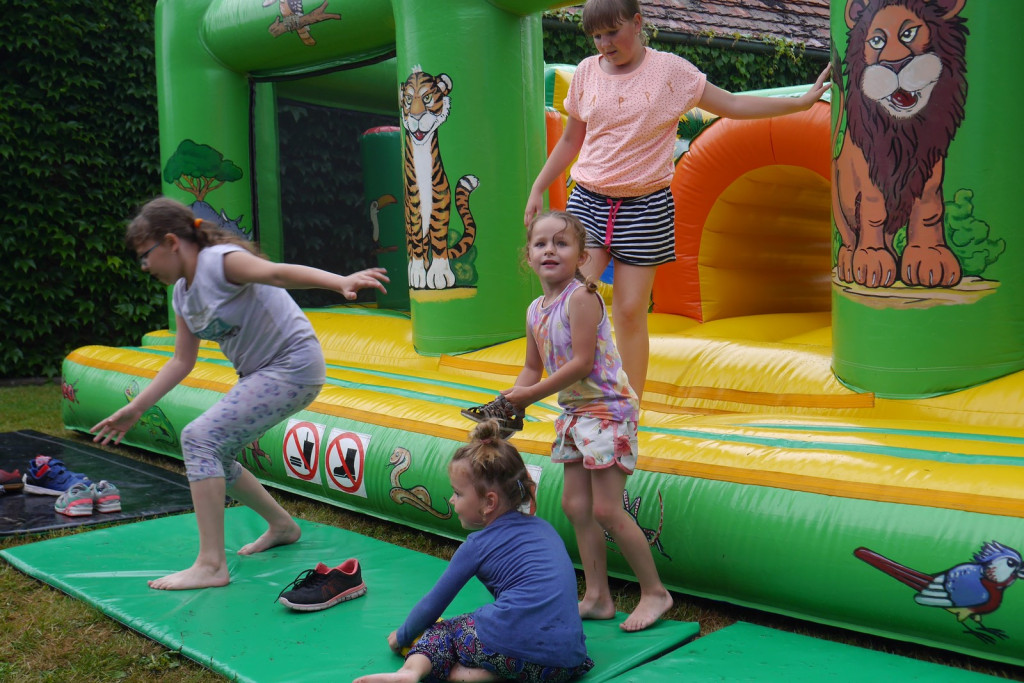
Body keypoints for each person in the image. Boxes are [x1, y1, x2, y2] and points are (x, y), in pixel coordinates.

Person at [523, 0, 831, 400]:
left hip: (645, 205)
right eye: (597, 36)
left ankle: (628, 407)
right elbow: (571, 140)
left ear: (637, 23)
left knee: (631, 311)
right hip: (590, 201)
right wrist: (537, 186)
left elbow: (733, 105)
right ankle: (571, 389)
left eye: (612, 32)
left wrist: (801, 103)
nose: (604, 44)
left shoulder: (671, 72)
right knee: (573, 297)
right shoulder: (586, 73)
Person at [90, 196, 389, 591]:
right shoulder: (182, 293)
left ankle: (211, 564)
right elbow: (182, 360)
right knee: (213, 450)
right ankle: (282, 525)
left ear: (171, 242)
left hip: (293, 366)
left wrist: (340, 282)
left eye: (146, 255)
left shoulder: (222, 262)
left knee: (200, 438)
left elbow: (278, 274)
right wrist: (136, 408)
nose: (145, 266)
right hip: (261, 374)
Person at [501, 211, 672, 632]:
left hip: (608, 409)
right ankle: (597, 596)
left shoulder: (582, 297)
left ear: (581, 255)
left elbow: (581, 364)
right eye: (541, 244)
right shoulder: (534, 310)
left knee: (607, 508)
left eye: (561, 243)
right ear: (529, 255)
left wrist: (530, 396)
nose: (550, 251)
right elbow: (531, 369)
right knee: (575, 506)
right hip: (576, 413)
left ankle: (655, 593)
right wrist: (508, 402)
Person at [353, 419, 594, 683]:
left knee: (443, 632)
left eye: (458, 493)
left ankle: (410, 673)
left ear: (489, 502)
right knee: (514, 648)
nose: (452, 500)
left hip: (510, 646)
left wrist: (402, 635)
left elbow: (433, 604)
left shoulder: (476, 546)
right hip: (566, 662)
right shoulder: (546, 529)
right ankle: (484, 675)